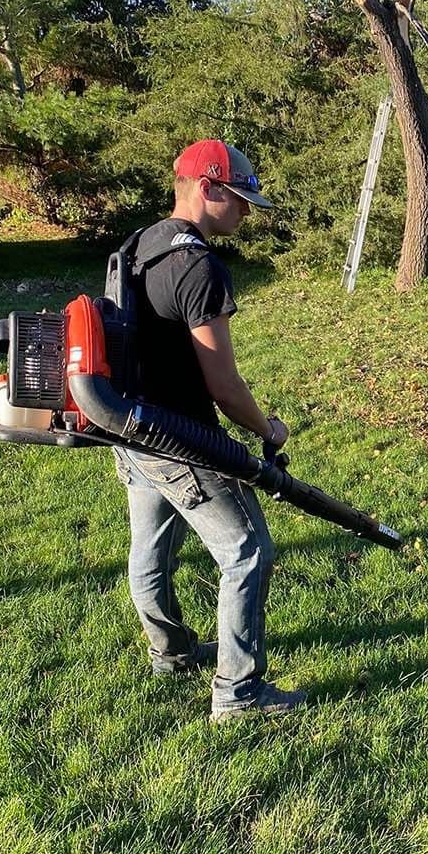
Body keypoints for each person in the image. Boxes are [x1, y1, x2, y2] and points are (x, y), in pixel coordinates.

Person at [112, 139, 306, 721]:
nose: (247, 211)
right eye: (242, 199)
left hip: (132, 429)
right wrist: (266, 426)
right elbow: (223, 386)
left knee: (149, 550)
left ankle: (170, 654)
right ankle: (238, 693)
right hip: (181, 438)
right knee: (247, 552)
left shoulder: (140, 244)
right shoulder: (199, 267)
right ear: (210, 187)